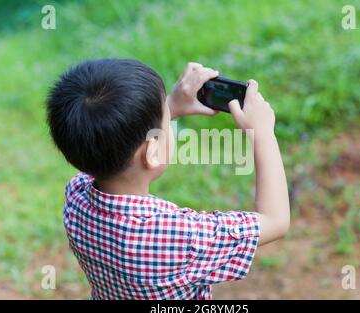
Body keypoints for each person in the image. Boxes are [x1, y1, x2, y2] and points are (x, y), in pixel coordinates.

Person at [46, 58, 290, 299]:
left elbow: (103, 145)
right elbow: (275, 220)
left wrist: (171, 105)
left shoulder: (76, 198)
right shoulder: (181, 237)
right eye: (166, 121)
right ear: (152, 152)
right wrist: (262, 133)